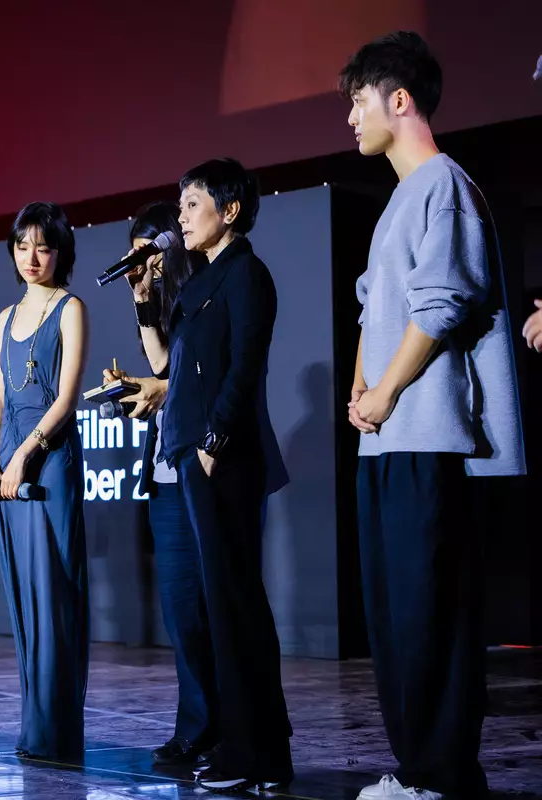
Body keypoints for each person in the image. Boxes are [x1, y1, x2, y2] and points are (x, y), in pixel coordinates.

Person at [341, 31, 525, 800]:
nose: (351, 117)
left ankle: (442, 776)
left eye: (359, 100)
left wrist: (386, 392)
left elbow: (443, 301)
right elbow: (372, 306)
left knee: (431, 617)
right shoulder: (399, 202)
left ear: (399, 99)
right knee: (395, 619)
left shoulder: (443, 184)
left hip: (430, 437)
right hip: (386, 441)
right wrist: (362, 388)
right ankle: (416, 770)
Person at [108, 201, 291, 773]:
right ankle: (201, 726)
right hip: (171, 470)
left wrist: (165, 396)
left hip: (213, 462)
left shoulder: (226, 284)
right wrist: (142, 302)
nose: (145, 263)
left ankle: (244, 737)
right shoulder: (179, 302)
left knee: (226, 606)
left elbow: (199, 375)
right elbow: (167, 368)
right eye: (137, 255)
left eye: (150, 252)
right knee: (183, 610)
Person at [0, 201, 90, 761]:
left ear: (60, 252)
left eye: (43, 247)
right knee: (24, 596)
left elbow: (67, 399)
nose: (31, 257)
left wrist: (25, 455)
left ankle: (56, 732)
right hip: (9, 462)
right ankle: (35, 726)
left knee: (55, 594)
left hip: (50, 459)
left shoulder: (70, 308)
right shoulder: (4, 317)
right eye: (22, 246)